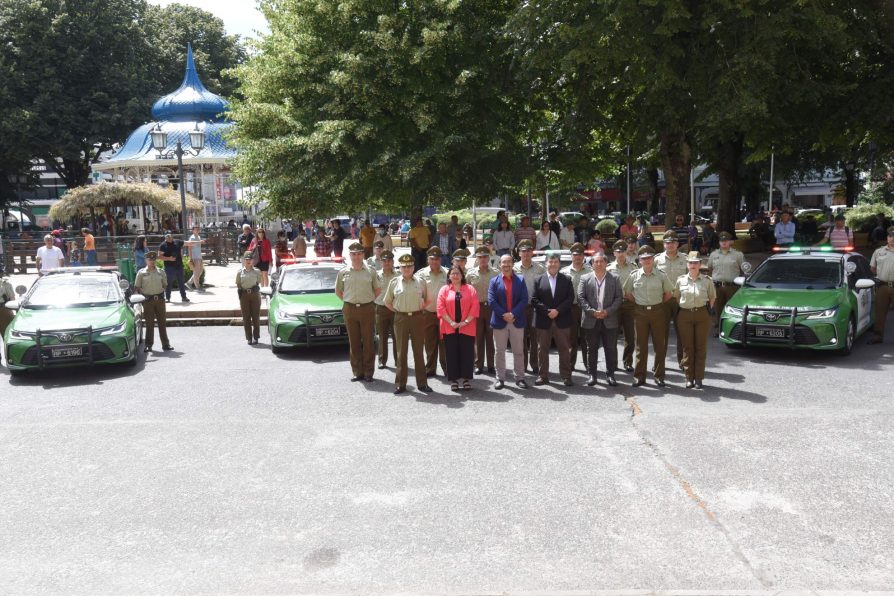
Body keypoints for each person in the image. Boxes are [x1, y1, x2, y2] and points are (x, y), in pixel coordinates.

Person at [623, 245, 673, 387]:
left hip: (658, 312)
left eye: (649, 258)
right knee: (641, 346)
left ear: (653, 259)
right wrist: (639, 302)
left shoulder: (662, 275)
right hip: (640, 313)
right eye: (644, 259)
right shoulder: (634, 276)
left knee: (659, 346)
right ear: (640, 261)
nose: (647, 261)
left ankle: (659, 376)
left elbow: (669, 293)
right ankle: (639, 377)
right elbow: (627, 293)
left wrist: (658, 304)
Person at [384, 254, 432, 394]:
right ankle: (400, 384)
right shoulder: (394, 282)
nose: (406, 269)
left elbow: (428, 300)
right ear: (399, 268)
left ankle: (422, 383)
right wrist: (399, 311)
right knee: (401, 352)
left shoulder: (421, 281)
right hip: (401, 319)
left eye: (409, 266)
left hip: (417, 317)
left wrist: (418, 309)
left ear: (413, 267)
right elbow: (387, 302)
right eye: (404, 267)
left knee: (418, 351)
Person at [335, 242, 379, 381]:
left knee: (368, 342)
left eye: (359, 253)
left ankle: (368, 372)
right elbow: (338, 291)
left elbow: (377, 290)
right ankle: (357, 372)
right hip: (350, 308)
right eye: (353, 254)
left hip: (367, 308)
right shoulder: (343, 272)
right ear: (350, 255)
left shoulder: (370, 271)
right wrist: (350, 301)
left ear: (363, 255)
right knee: (353, 342)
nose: (356, 256)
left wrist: (368, 300)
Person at [530, 252, 575, 386]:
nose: (553, 264)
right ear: (546, 264)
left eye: (555, 262)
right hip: (543, 319)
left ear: (559, 264)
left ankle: (566, 376)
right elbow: (534, 299)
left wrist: (558, 311)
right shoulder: (538, 279)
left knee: (564, 349)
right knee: (542, 349)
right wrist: (547, 311)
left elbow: (570, 299)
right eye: (550, 262)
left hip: (562, 319)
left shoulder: (566, 280)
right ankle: (543, 376)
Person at [579, 251, 623, 386]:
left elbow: (619, 298)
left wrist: (607, 312)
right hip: (591, 319)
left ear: (606, 263)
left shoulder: (615, 278)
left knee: (610, 348)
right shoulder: (585, 278)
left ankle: (610, 375)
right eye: (596, 262)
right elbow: (581, 298)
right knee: (591, 349)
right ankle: (592, 375)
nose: (598, 264)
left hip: (609, 319)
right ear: (592, 264)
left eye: (601, 261)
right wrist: (593, 312)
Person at [674, 251, 717, 389]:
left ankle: (698, 378)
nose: (693, 265)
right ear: (687, 265)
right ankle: (688, 377)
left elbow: (712, 297)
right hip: (685, 315)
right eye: (691, 263)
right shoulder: (680, 280)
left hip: (702, 315)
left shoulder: (707, 281)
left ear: (700, 265)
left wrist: (706, 311)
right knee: (687, 347)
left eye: (696, 263)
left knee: (700, 347)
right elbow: (677, 296)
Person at [489, 253, 529, 389]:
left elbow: (524, 299)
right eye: (503, 262)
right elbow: (491, 301)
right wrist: (504, 315)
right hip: (500, 321)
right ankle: (500, 378)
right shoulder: (493, 281)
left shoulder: (521, 280)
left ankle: (520, 378)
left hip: (516, 320)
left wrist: (513, 314)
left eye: (509, 262)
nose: (506, 265)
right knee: (499, 351)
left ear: (513, 264)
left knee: (518, 351)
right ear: (500, 265)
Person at [437, 265, 480, 391]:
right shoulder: (444, 290)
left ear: (462, 276)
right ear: (449, 276)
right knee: (451, 353)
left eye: (458, 273)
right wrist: (451, 322)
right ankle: (454, 380)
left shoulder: (470, 289)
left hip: (467, 326)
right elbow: (440, 307)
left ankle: (466, 379)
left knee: (467, 353)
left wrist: (465, 322)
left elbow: (475, 306)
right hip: (449, 326)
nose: (455, 275)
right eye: (452, 273)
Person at [654, 231, 687, 370]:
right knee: (661, 333)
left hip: (680, 300)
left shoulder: (685, 259)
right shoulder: (656, 260)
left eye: (673, 242)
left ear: (677, 244)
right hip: (664, 300)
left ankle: (683, 362)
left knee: (682, 333)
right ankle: (659, 363)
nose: (670, 245)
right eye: (667, 243)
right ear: (664, 244)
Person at [513, 239, 546, 374]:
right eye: (523, 251)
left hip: (535, 308)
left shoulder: (540, 268)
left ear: (532, 253)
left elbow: (544, 288)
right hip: (519, 308)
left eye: (528, 251)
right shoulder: (513, 268)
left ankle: (535, 364)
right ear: (519, 253)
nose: (526, 253)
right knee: (520, 338)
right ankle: (522, 365)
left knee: (534, 338)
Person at [415, 246, 448, 377]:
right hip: (427, 314)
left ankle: (447, 368)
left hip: (444, 315)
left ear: (441, 260)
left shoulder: (447, 273)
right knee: (429, 342)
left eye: (437, 259)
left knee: (444, 343)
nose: (434, 261)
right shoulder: (420, 274)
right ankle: (430, 368)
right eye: (432, 259)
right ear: (428, 259)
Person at [560, 243, 593, 373]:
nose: (577, 257)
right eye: (575, 255)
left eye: (580, 255)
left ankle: (589, 365)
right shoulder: (564, 272)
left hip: (587, 309)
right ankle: (570, 364)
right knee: (571, 339)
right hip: (571, 309)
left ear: (583, 256)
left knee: (587, 339)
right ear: (571, 256)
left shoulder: (591, 271)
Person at [466, 245, 498, 375]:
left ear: (489, 257)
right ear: (477, 259)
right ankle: (478, 364)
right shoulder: (470, 273)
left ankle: (491, 365)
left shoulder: (496, 272)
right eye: (480, 257)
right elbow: (466, 292)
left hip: (491, 308)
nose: (483, 259)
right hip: (476, 308)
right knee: (478, 337)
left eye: (485, 256)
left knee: (491, 337)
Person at [707, 231, 745, 336]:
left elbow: (744, 270)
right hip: (717, 286)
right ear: (719, 242)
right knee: (717, 309)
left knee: (732, 309)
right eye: (721, 241)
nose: (724, 243)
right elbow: (710, 268)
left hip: (732, 287)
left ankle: (732, 329)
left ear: (731, 242)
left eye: (726, 241)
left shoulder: (738, 255)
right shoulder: (714, 254)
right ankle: (718, 328)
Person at [134, 251, 173, 352]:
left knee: (162, 323)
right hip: (148, 301)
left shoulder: (161, 271)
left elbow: (165, 285)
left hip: (160, 300)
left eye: (154, 260)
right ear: (146, 260)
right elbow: (137, 287)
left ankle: (166, 344)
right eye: (150, 260)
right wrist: (145, 295)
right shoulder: (141, 273)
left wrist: (158, 292)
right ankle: (148, 345)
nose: (152, 262)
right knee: (149, 324)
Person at [608, 240, 637, 373]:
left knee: (630, 336)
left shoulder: (633, 267)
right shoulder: (608, 268)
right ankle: (612, 363)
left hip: (629, 305)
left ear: (627, 253)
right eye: (618, 252)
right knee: (612, 336)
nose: (620, 254)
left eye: (623, 252)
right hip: (613, 305)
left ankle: (628, 362)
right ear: (614, 253)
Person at [868, 226, 894, 344]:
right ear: (887, 237)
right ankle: (878, 336)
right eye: (890, 236)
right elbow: (872, 268)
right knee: (880, 312)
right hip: (883, 286)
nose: (892, 239)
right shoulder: (879, 251)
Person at [374, 250, 398, 369]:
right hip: (381, 309)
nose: (387, 263)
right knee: (382, 336)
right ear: (381, 262)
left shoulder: (398, 275)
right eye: (384, 261)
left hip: (395, 309)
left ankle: (398, 360)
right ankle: (382, 360)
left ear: (393, 262)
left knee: (396, 336)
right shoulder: (376, 275)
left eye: (389, 261)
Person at [235, 251, 263, 345]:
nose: (248, 261)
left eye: (250, 259)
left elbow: (258, 281)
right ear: (243, 260)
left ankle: (256, 337)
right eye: (246, 259)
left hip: (255, 295)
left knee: (255, 317)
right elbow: (238, 284)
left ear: (253, 261)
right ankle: (249, 338)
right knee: (246, 318)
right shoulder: (239, 272)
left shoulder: (257, 271)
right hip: (244, 296)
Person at [159, 233, 189, 303]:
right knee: (168, 283)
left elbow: (188, 243)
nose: (169, 239)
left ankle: (184, 297)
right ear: (165, 238)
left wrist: (200, 242)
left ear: (172, 237)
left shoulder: (177, 242)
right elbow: (159, 256)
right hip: (169, 267)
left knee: (181, 282)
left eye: (170, 237)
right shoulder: (163, 245)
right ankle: (167, 298)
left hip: (179, 266)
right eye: (167, 238)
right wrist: (169, 258)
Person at [185, 225, 205, 290]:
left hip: (199, 257)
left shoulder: (198, 237)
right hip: (195, 257)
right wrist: (190, 258)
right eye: (195, 229)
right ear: (193, 231)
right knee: (196, 272)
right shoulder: (192, 238)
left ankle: (189, 283)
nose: (197, 231)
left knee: (200, 271)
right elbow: (189, 248)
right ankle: (198, 287)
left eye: (198, 229)